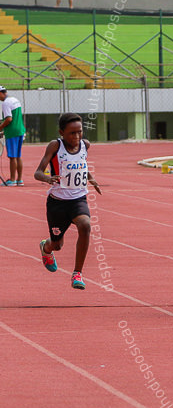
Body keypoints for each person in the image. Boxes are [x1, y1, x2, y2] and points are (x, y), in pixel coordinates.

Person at [34, 112, 102, 290]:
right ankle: (46, 248)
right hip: (57, 202)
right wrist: (47, 178)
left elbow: (80, 165)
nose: (77, 136)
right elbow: (38, 172)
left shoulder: (85, 145)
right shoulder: (55, 146)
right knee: (57, 245)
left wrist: (91, 178)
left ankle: (77, 273)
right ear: (61, 132)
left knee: (85, 225)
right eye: (72, 133)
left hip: (78, 198)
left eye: (80, 132)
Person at [0, 87, 25, 185]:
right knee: (18, 156)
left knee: (12, 157)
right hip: (20, 130)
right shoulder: (15, 100)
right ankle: (19, 180)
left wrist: (0, 128)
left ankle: (12, 180)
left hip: (12, 132)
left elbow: (9, 119)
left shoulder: (6, 103)